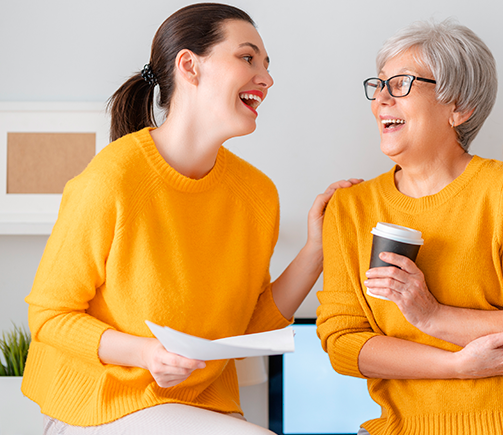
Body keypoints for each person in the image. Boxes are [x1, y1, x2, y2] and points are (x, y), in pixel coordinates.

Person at [22, 4, 358, 434]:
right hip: (101, 405)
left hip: (204, 409)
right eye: (247, 58)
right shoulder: (113, 179)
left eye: (267, 65)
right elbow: (50, 315)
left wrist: (317, 249)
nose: (267, 79)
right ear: (189, 66)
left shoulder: (257, 196)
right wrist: (146, 354)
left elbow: (245, 330)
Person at [316, 19, 503, 435]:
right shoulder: (350, 209)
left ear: (458, 105)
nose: (381, 100)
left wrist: (432, 316)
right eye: (379, 84)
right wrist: (457, 365)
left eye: (401, 84)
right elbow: (344, 344)